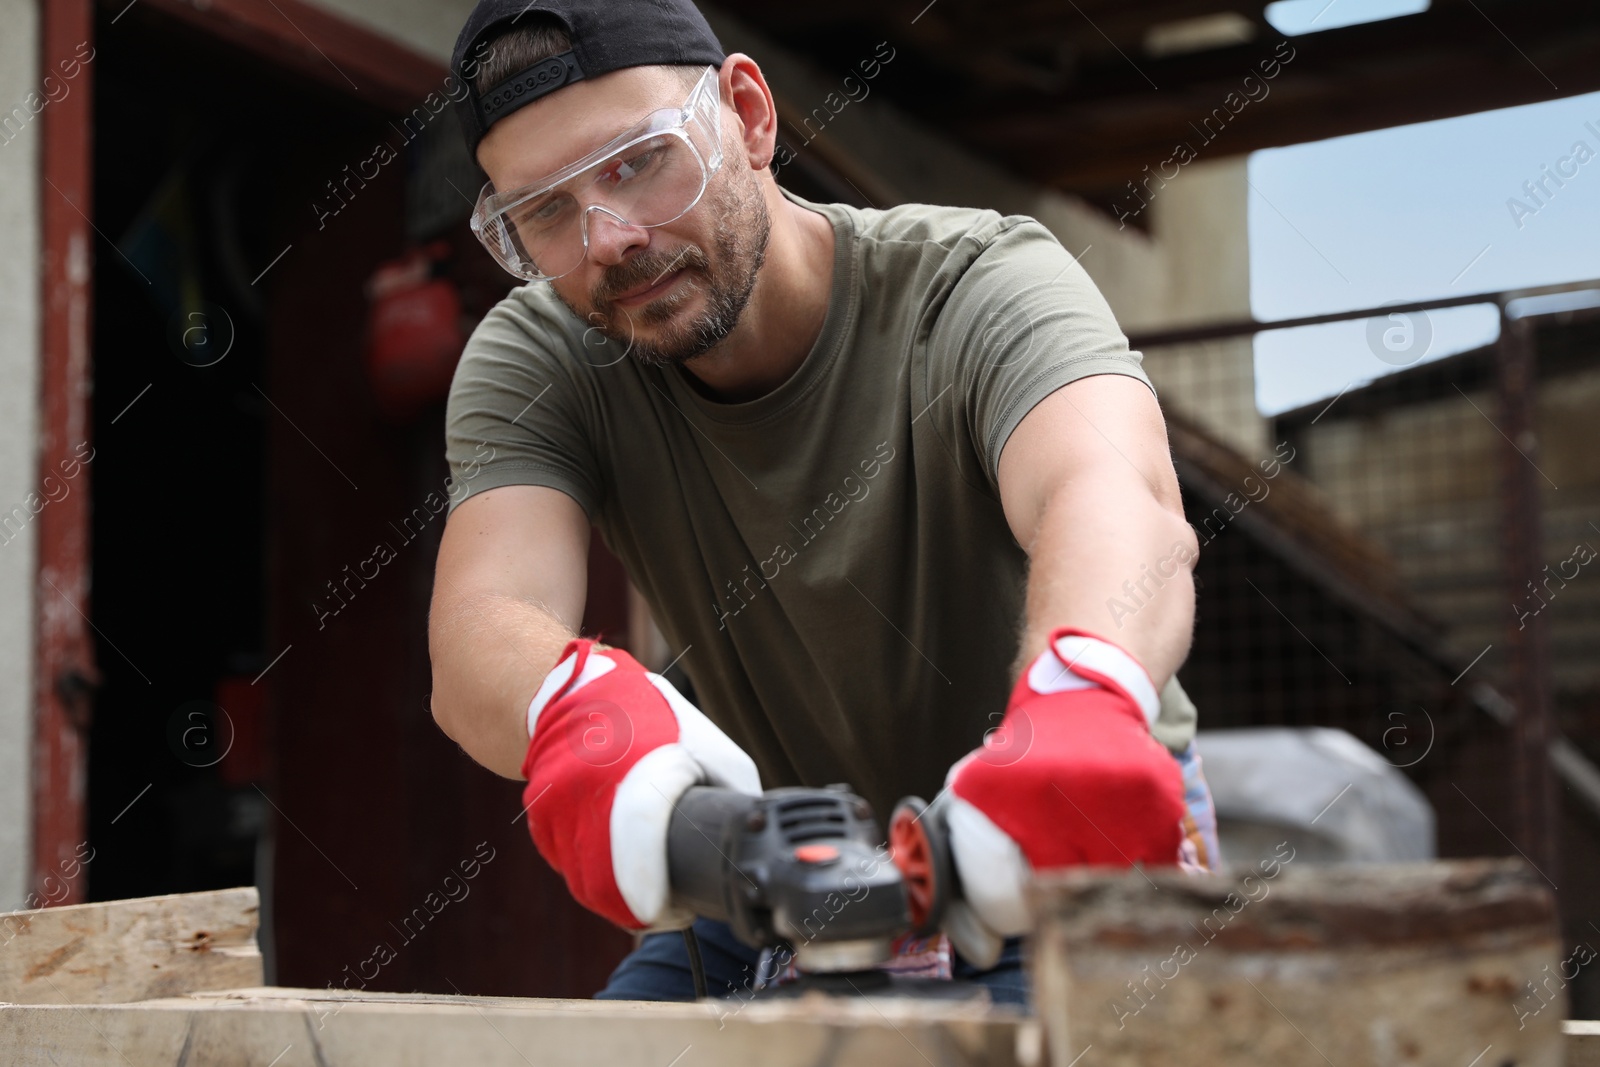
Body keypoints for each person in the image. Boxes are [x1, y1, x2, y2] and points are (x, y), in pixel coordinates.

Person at [429, 0, 1219, 1007]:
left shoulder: (975, 281)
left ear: (750, 116)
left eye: (638, 160)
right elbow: (478, 626)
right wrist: (570, 707)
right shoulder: (540, 355)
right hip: (783, 857)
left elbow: (1111, 493)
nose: (609, 239)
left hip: (1056, 832)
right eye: (544, 211)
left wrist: (1084, 693)